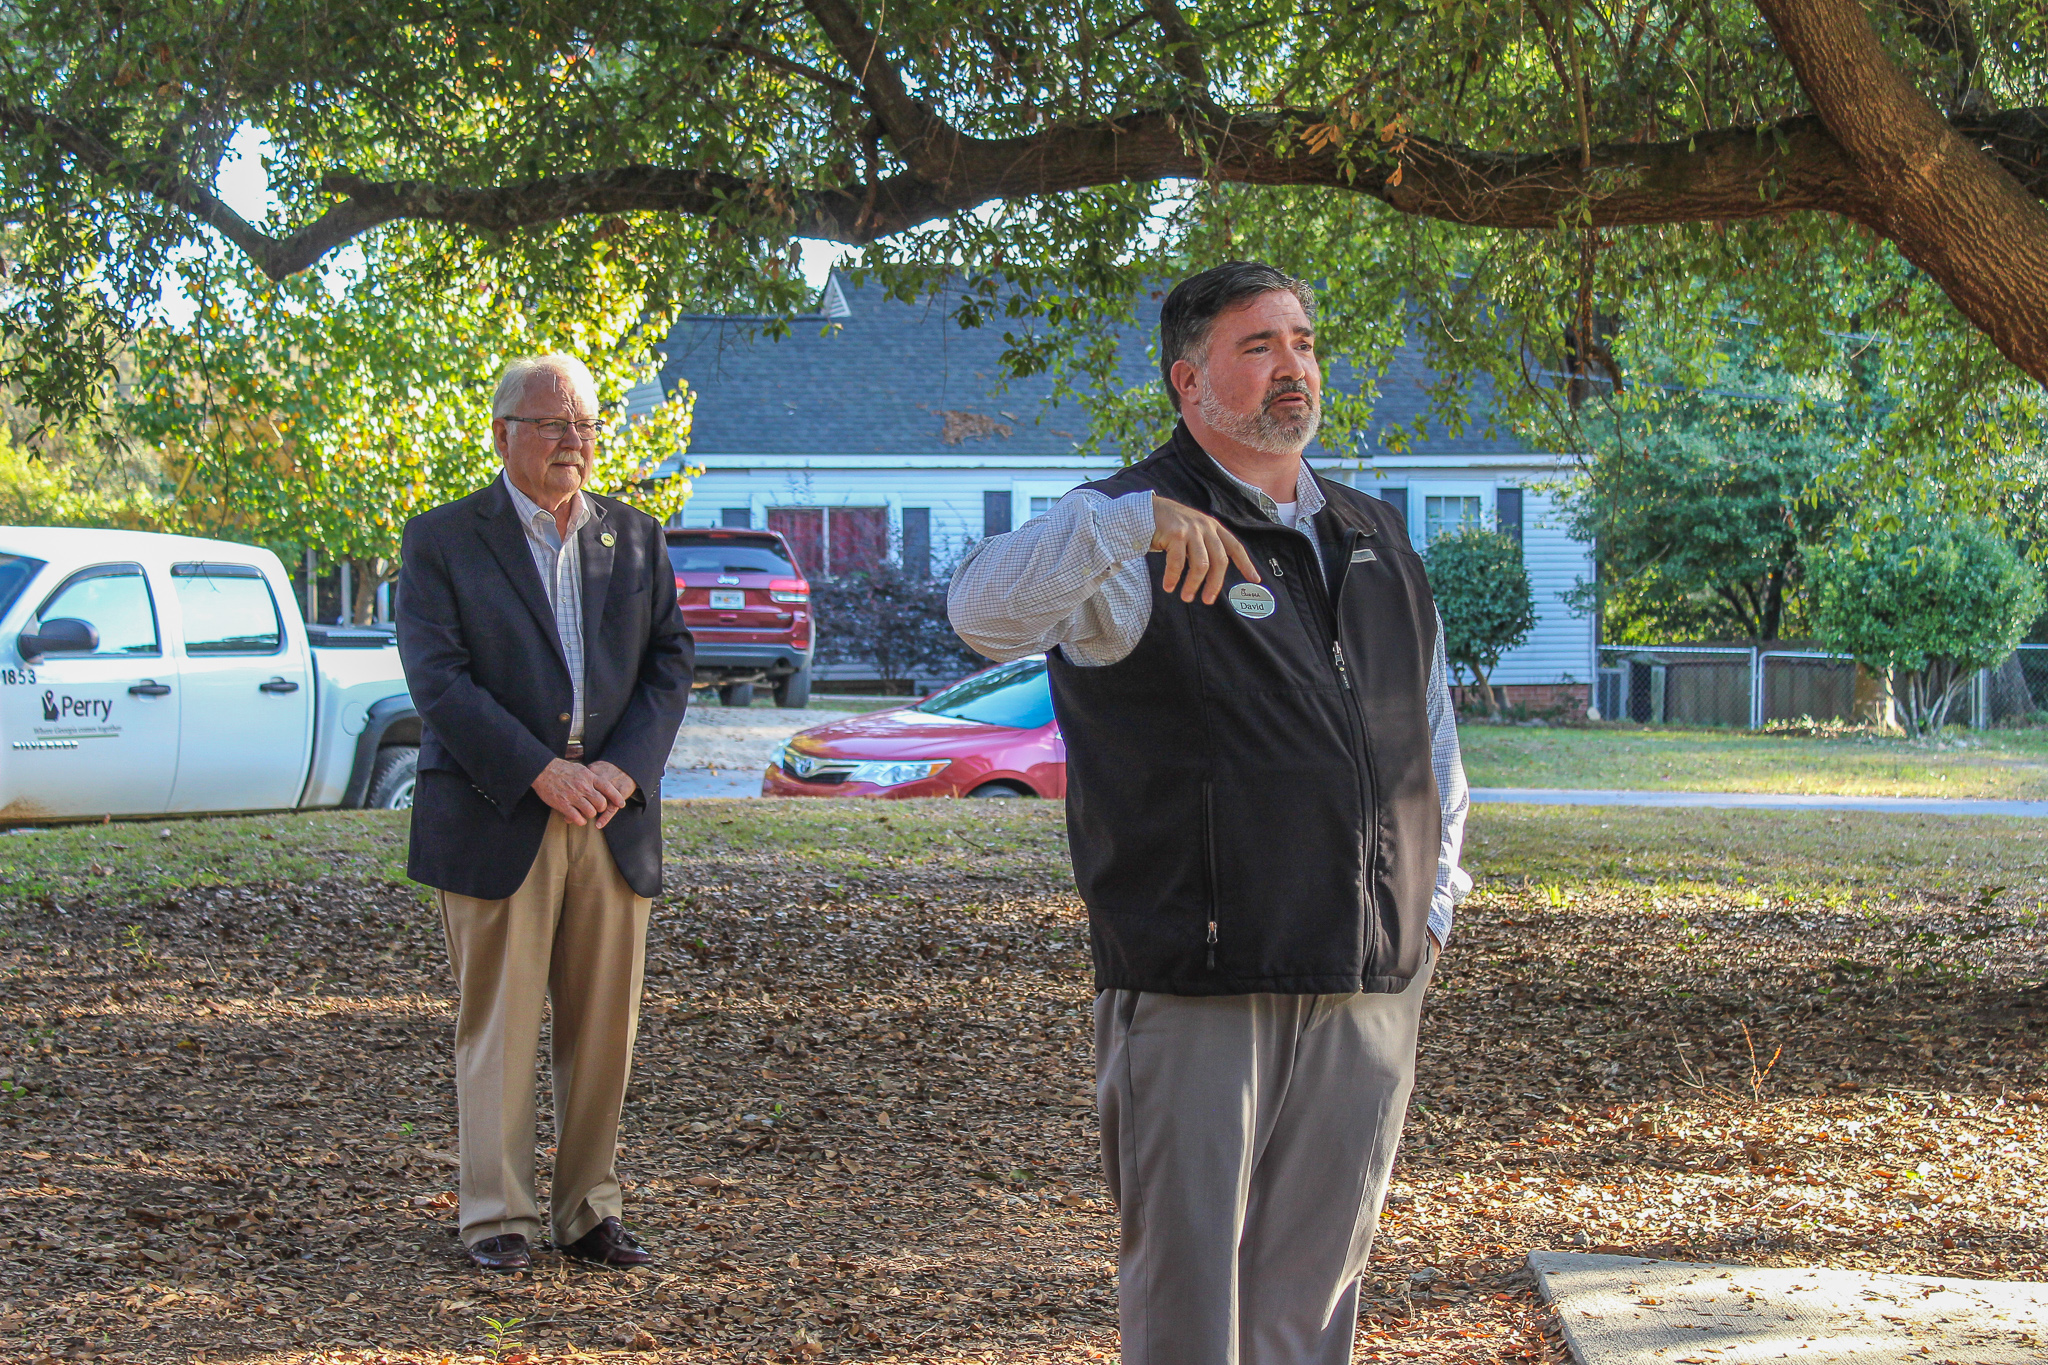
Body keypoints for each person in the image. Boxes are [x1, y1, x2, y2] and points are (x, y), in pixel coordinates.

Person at [948, 262, 1472, 1365]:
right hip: (1199, 980)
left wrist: (1432, 908)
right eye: (1257, 346)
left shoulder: (1373, 537)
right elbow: (980, 612)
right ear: (1189, 382)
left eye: (1302, 341)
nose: (1292, 367)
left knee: (1313, 1301)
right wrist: (1127, 522)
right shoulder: (1124, 534)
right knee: (1189, 1304)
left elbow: (1430, 741)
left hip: (1369, 976)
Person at [397, 353, 694, 1273]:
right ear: (503, 435)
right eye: (554, 423)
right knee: (499, 1019)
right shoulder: (442, 539)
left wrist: (617, 770)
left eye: (587, 426)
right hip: (496, 813)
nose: (576, 441)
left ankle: (586, 1209)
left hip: (611, 818)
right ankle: (496, 1215)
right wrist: (540, 772)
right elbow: (438, 682)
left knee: (605, 1025)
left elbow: (670, 664)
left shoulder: (635, 539)